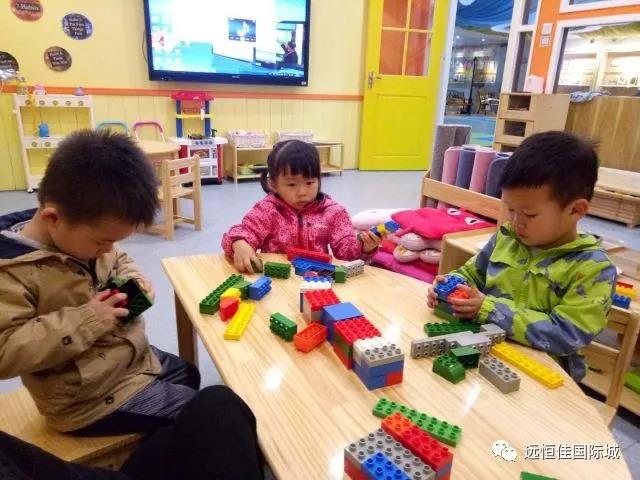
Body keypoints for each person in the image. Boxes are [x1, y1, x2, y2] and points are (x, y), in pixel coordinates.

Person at [0, 130, 201, 436]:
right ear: (52, 218)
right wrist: (89, 319)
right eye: (102, 242)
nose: (109, 250)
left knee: (188, 373)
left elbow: (119, 259)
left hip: (125, 359)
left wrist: (134, 279)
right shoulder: (11, 271)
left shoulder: (82, 232)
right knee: (199, 412)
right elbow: (4, 353)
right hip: (87, 400)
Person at [427, 131, 617, 381]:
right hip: (484, 354)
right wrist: (452, 287)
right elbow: (472, 274)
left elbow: (567, 335)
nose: (516, 221)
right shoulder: (506, 238)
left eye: (529, 214)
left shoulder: (593, 270)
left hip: (545, 375)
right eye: (511, 209)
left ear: (575, 210)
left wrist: (488, 309)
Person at [0, 385, 265, 480]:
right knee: (217, 404)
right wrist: (91, 318)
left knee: (202, 405)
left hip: (122, 370)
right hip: (92, 395)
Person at [222, 140, 380, 273]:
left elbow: (345, 254)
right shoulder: (267, 210)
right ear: (273, 185)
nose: (302, 192)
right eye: (291, 184)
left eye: (310, 182)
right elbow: (244, 231)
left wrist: (364, 247)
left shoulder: (333, 212)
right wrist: (239, 243)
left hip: (318, 281)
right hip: (277, 281)